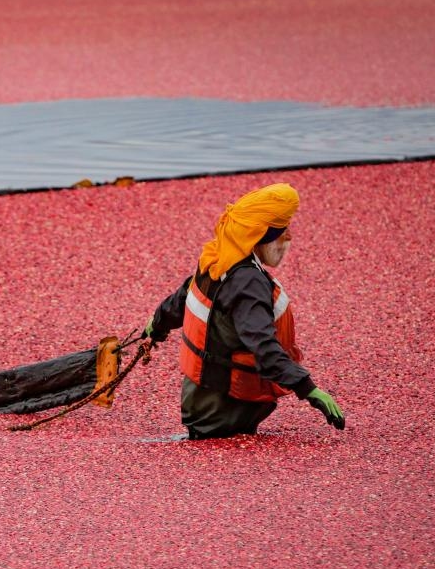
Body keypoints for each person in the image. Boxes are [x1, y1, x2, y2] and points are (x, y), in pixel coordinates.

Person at [143, 183, 345, 439]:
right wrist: (310, 390)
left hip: (200, 399)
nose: (290, 237)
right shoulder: (248, 284)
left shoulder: (216, 258)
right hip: (225, 407)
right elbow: (264, 347)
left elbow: (180, 300)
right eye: (284, 231)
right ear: (262, 236)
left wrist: (156, 324)